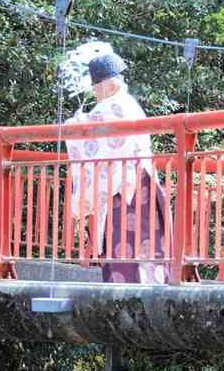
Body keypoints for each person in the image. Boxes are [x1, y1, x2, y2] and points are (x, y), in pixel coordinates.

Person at [65, 53, 171, 283]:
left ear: (108, 83)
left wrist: (74, 124)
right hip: (138, 179)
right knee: (141, 238)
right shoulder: (126, 103)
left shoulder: (114, 105)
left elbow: (90, 138)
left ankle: (125, 289)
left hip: (125, 182)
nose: (94, 92)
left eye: (96, 86)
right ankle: (152, 283)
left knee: (125, 238)